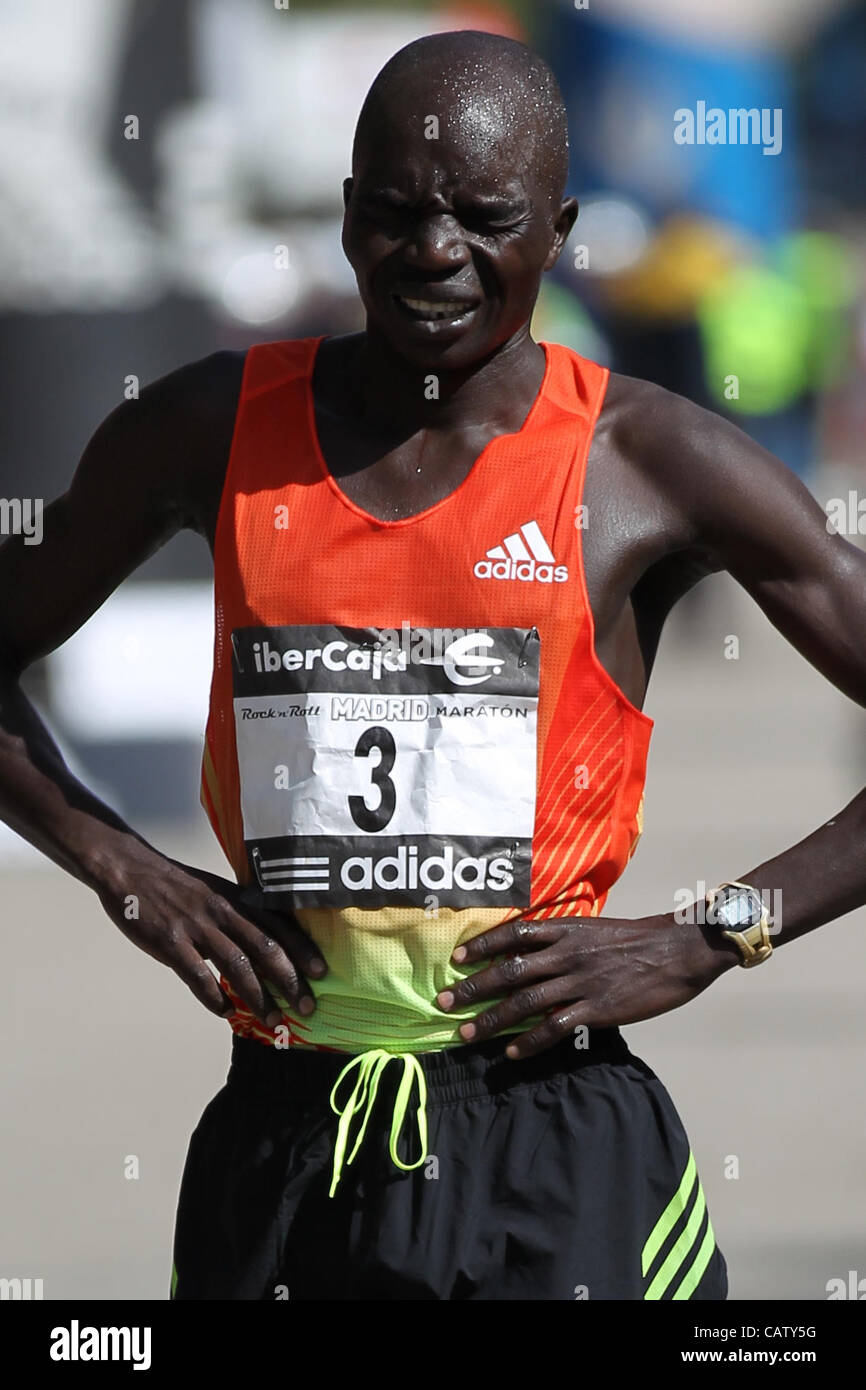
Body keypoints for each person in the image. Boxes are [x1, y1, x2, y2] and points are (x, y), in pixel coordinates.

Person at [1, 31, 864, 1302]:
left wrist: (709, 933)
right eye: (397, 214)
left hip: (554, 1136)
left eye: (483, 216)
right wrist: (125, 869)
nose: (435, 252)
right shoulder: (209, 426)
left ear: (558, 228)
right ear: (347, 217)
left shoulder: (646, 460)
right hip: (287, 1134)